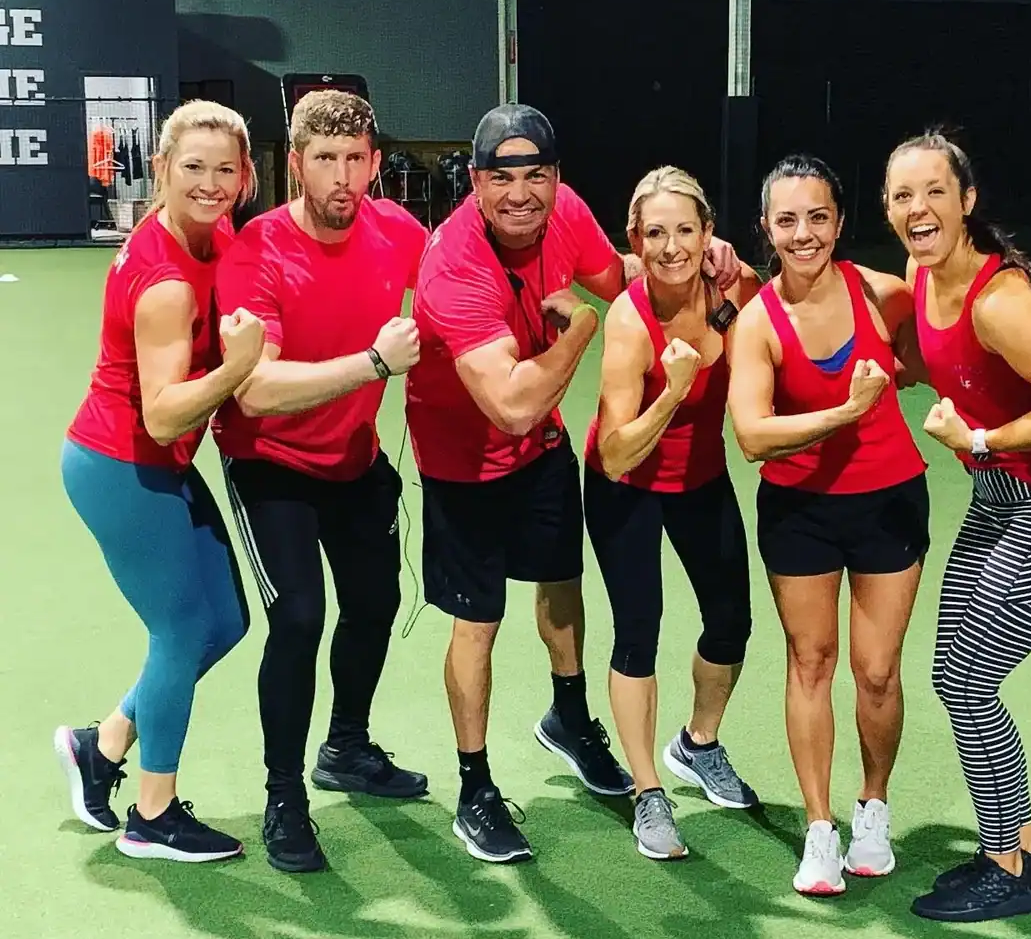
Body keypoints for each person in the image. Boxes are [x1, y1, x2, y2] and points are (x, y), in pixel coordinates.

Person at [407, 104, 742, 863]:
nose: (520, 193)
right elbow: (514, 405)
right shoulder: (456, 264)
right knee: (478, 624)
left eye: (536, 176)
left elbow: (616, 271)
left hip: (542, 454)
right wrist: (587, 332)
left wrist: (690, 250)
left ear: (556, 179)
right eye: (502, 178)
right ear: (475, 181)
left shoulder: (567, 214)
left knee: (562, 587)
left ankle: (569, 718)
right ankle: (475, 785)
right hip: (465, 460)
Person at [883, 129, 1031, 923]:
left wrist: (979, 441)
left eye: (935, 192)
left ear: (967, 200)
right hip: (999, 503)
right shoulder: (921, 272)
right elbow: (940, 355)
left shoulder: (998, 297)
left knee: (967, 684)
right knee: (959, 674)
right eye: (903, 196)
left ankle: (1003, 864)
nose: (920, 208)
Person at [212, 90, 426, 875]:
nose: (342, 177)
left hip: (352, 456)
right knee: (300, 617)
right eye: (325, 161)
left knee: (375, 603)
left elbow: (468, 270)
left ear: (374, 163)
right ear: (295, 163)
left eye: (356, 160)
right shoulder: (255, 251)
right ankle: (283, 796)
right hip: (268, 459)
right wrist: (373, 364)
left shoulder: (399, 232)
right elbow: (256, 390)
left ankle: (347, 747)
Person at [54, 100, 263, 862]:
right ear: (163, 170)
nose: (209, 184)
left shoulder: (212, 235)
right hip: (122, 465)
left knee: (226, 622)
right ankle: (152, 815)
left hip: (155, 464)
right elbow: (169, 413)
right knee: (180, 631)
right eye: (193, 169)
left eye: (224, 170)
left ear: (245, 177)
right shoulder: (166, 280)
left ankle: (100, 745)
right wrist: (238, 368)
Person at [727, 154, 931, 896]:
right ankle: (820, 829)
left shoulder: (885, 295)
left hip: (889, 500)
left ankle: (872, 809)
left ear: (841, 222)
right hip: (800, 511)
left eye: (818, 217)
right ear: (766, 229)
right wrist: (845, 412)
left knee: (877, 671)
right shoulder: (757, 323)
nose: (803, 233)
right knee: (810, 662)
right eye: (787, 220)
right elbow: (752, 435)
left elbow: (930, 361)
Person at [583, 166, 761, 860]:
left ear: (708, 233)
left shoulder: (729, 288)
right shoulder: (629, 322)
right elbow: (620, 451)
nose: (671, 246)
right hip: (624, 483)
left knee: (732, 622)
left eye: (686, 230)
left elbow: (779, 334)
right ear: (635, 239)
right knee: (638, 631)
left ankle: (697, 743)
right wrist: (673, 391)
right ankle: (647, 791)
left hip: (701, 477)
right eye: (655, 233)